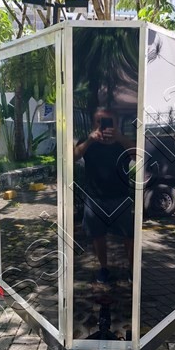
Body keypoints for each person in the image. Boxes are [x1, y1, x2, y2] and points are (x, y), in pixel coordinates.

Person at [74, 108, 136, 284]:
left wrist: (120, 138)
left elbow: (137, 155)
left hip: (120, 198)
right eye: (99, 122)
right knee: (98, 236)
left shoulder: (122, 142)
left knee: (129, 236)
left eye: (109, 121)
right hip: (95, 199)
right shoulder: (88, 143)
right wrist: (89, 141)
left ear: (116, 124)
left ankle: (132, 270)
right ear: (94, 124)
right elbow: (72, 157)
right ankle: (103, 269)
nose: (103, 125)